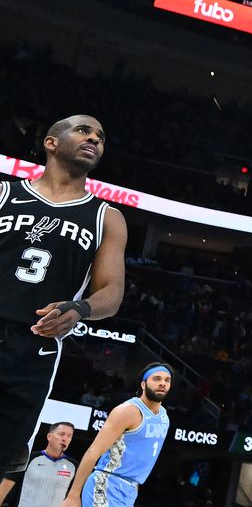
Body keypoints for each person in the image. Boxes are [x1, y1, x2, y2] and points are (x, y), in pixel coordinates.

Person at [0, 116, 127, 481]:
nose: (94, 139)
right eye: (83, 131)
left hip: (33, 349)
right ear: (51, 143)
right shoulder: (5, 195)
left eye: (100, 137)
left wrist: (81, 308)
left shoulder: (107, 218)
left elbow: (112, 293)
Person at [58, 366, 170, 507]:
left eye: (167, 380)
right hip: (106, 484)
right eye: (156, 379)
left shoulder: (164, 417)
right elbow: (93, 452)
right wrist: (73, 495)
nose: (163, 383)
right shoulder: (128, 411)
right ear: (143, 384)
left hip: (130, 490)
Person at [0, 423, 75, 507]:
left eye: (69, 436)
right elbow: (6, 484)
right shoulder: (29, 459)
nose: (65, 439)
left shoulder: (74, 466)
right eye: (62, 434)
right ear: (49, 436)